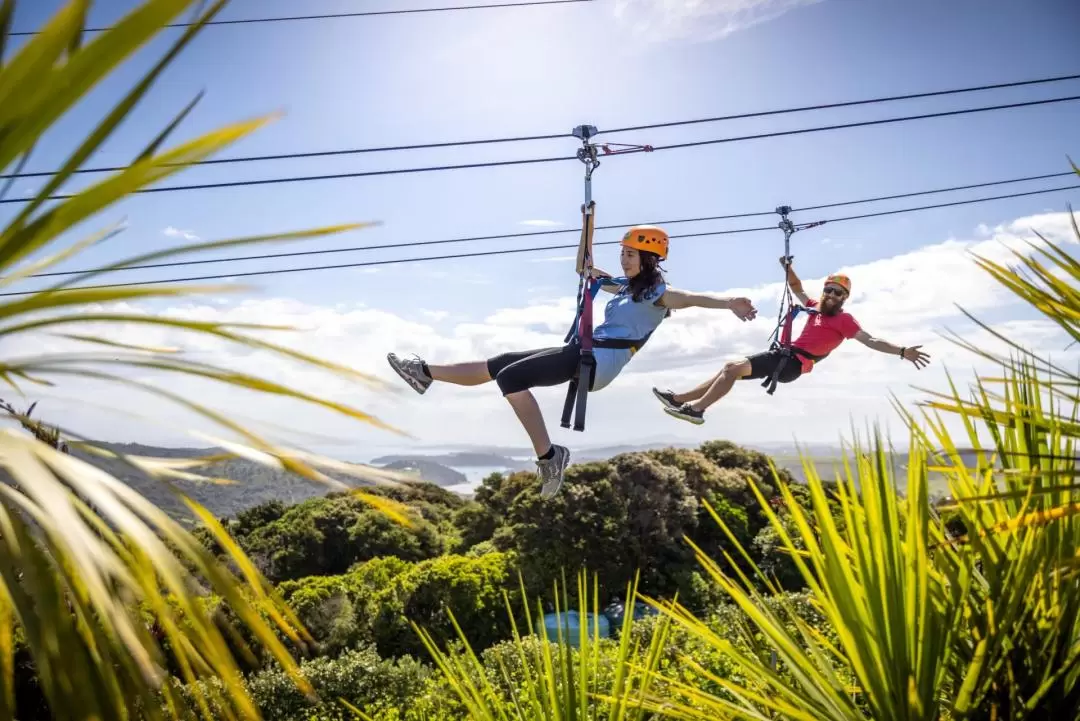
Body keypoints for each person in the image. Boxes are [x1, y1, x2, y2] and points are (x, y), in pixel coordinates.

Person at [386, 225, 758, 499]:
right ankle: (423, 373)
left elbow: (690, 297)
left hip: (597, 361)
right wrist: (587, 224)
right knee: (500, 364)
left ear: (649, 258)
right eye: (623, 253)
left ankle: (550, 456)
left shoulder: (658, 294)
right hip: (585, 353)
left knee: (511, 379)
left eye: (630, 254)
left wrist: (729, 303)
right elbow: (584, 267)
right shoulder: (623, 287)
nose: (624, 259)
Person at [654, 256, 931, 424]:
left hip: (792, 363)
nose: (832, 296)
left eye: (839, 294)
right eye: (830, 291)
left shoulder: (844, 321)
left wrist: (901, 351)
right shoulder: (813, 306)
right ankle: (680, 400)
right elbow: (796, 288)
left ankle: (697, 410)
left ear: (845, 299)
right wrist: (788, 268)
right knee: (728, 371)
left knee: (731, 369)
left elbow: (870, 340)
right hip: (785, 357)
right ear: (824, 291)